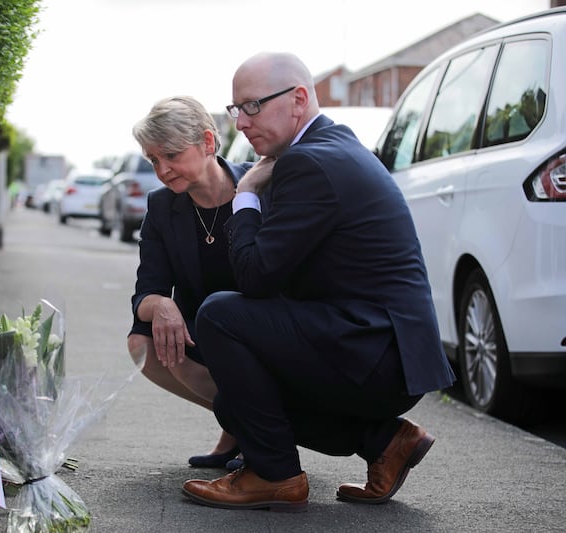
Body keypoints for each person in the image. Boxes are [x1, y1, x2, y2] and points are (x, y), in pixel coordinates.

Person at [181, 52, 456, 512]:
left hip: (378, 352)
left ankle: (274, 475)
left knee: (220, 315)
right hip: (379, 347)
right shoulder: (327, 148)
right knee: (234, 405)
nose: (242, 123)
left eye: (252, 106)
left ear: (298, 99)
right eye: (235, 110)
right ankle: (386, 442)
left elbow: (254, 277)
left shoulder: (308, 162)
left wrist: (245, 192)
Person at [127, 95, 272, 470]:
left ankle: (262, 430)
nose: (162, 169)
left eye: (171, 155)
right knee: (143, 341)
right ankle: (240, 423)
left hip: (268, 328)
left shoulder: (260, 185)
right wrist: (161, 304)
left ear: (208, 142)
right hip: (205, 332)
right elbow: (146, 290)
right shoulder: (162, 206)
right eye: (154, 160)